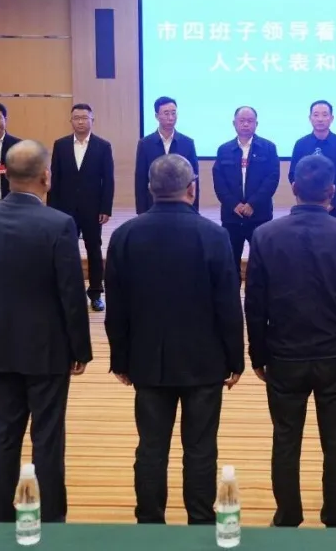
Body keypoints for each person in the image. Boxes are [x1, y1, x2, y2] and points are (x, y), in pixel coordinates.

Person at [105, 154, 244, 525]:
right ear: (192, 189)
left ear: (150, 188)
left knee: (151, 447)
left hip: (147, 359)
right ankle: (200, 520)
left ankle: (150, 521)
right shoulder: (214, 235)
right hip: (204, 360)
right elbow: (228, 304)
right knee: (201, 447)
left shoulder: (125, 235)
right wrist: (235, 358)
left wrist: (120, 358)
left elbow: (116, 306)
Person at [0, 140, 93, 525]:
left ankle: (0, 519)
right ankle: (50, 519)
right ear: (46, 177)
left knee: (3, 435)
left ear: (5, 174)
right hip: (47, 349)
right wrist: (80, 349)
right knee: (47, 438)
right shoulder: (59, 224)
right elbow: (71, 294)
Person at [245, 155, 336, 529]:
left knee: (285, 439)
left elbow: (254, 303)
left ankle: (287, 517)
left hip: (284, 355)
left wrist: (258, 354)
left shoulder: (265, 236)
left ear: (294, 188)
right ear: (332, 191)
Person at [48, 103, 114, 312]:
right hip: (65, 208)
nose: (80, 122)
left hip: (93, 209)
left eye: (85, 118)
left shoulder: (103, 146)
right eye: (76, 118)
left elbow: (108, 180)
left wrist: (106, 208)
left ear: (92, 120)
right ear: (71, 121)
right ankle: (68, 293)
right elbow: (55, 179)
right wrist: (52, 209)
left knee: (93, 249)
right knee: (66, 251)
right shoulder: (60, 145)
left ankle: (96, 293)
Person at [212, 106, 280, 275]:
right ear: (234, 123)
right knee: (230, 264)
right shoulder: (224, 149)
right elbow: (219, 181)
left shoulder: (268, 148)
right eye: (242, 121)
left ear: (256, 124)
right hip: (232, 216)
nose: (245, 124)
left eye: (250, 121)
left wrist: (252, 204)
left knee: (261, 263)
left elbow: (272, 179)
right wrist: (233, 204)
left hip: (259, 215)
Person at [289, 100, 336, 222]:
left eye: (324, 115)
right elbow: (293, 174)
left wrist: (333, 203)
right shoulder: (301, 144)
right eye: (316, 115)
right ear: (310, 118)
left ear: (331, 118)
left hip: (334, 208)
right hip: (306, 207)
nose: (320, 119)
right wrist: (304, 200)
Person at [135, 96, 200, 214]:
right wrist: (141, 212)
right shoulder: (145, 144)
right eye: (166, 113)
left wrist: (194, 210)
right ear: (156, 116)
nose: (171, 118)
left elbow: (194, 178)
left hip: (182, 207)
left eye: (173, 113)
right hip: (153, 207)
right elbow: (141, 180)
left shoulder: (187, 143)